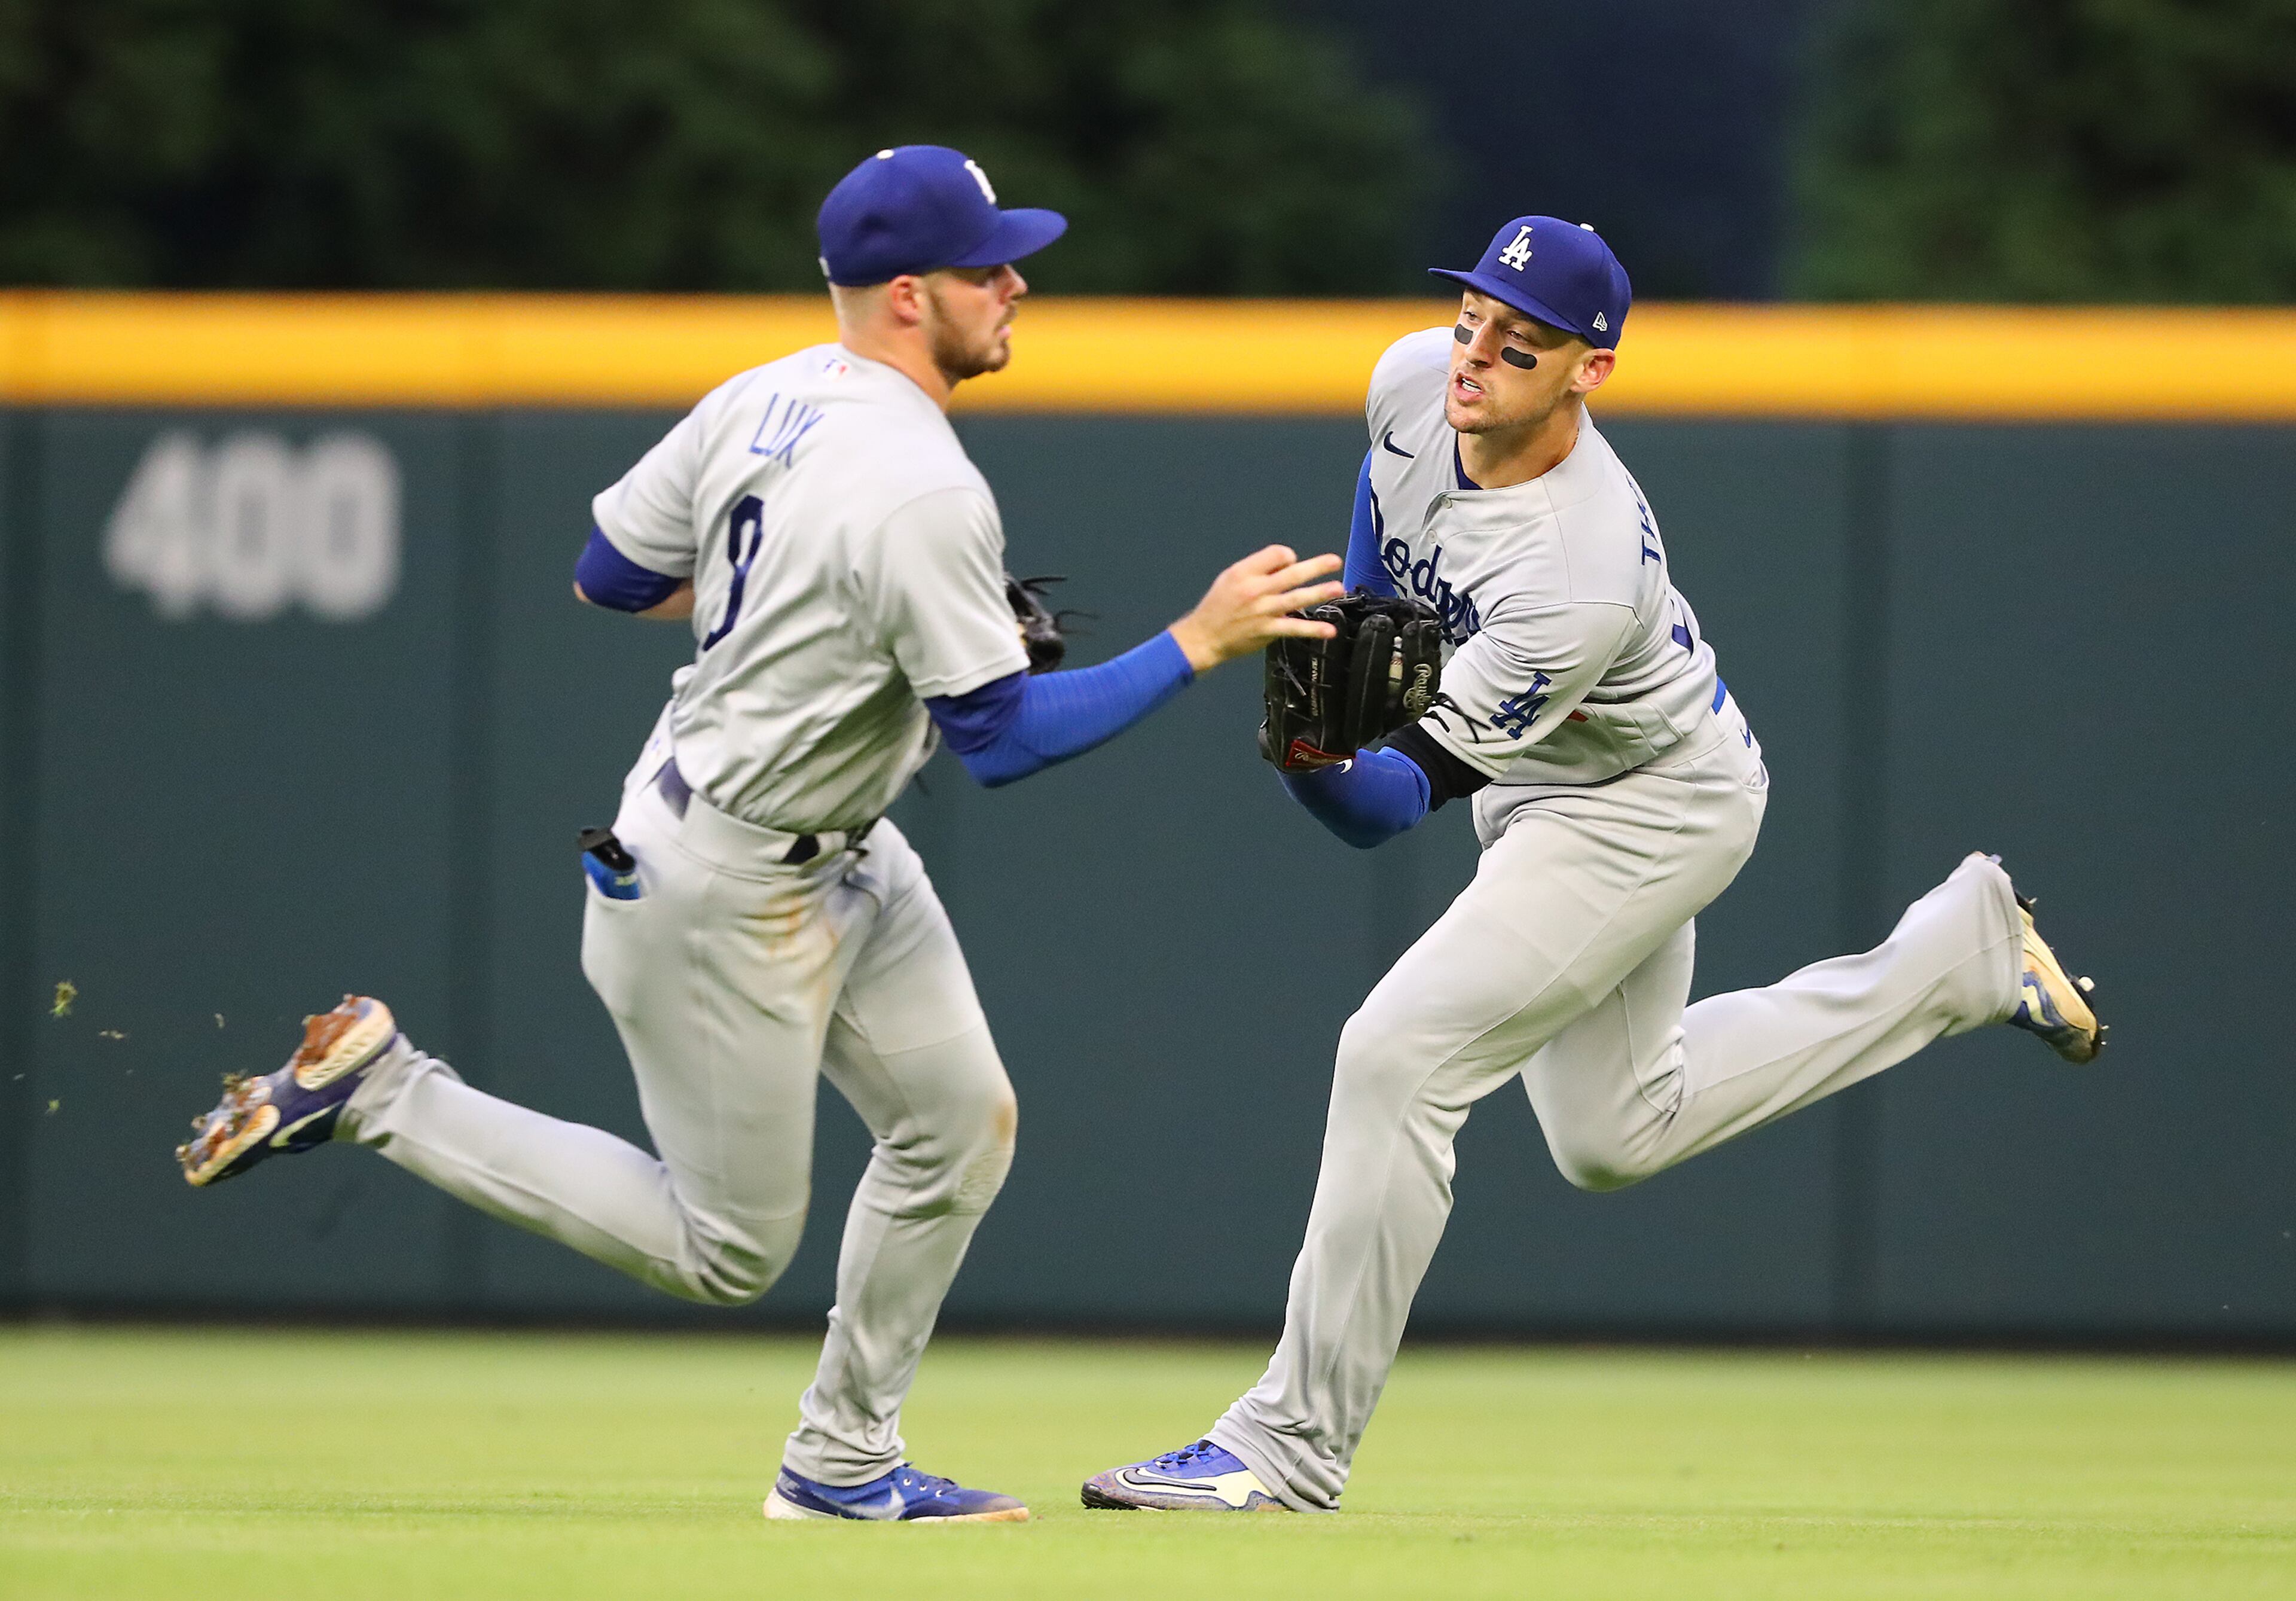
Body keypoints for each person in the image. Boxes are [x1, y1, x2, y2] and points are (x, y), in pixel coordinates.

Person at [174, 144, 1344, 1526]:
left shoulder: (764, 393)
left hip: (832, 837)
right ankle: (386, 1096)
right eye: (987, 268)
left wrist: (820, 611)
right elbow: (1006, 740)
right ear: (911, 296)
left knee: (961, 1128)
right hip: (719, 880)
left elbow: (611, 575)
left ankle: (843, 1462)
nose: (1016, 284)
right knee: (726, 1251)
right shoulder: (921, 487)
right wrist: (1195, 641)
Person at [1082, 215, 2106, 1515]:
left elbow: (1383, 809)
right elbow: (1385, 528)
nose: (1478, 352)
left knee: (1397, 1053)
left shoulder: (1574, 571)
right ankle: (1955, 956)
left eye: (1523, 341)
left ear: (1591, 369)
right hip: (1545, 778)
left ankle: (1287, 1445)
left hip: (1646, 806)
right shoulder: (1411, 379)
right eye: (1472, 317)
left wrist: (1307, 749)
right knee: (1613, 1132)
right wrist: (1346, 635)